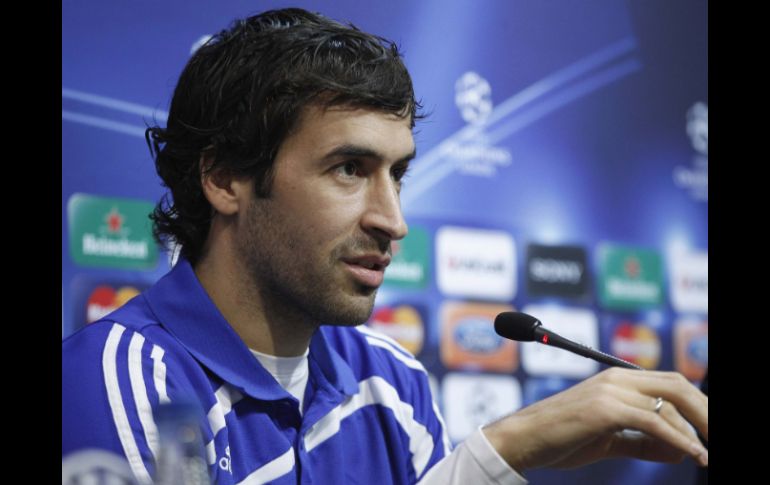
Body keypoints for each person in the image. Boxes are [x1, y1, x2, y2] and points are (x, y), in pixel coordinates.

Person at [62, 8, 708, 484]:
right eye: (349, 168)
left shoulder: (391, 378)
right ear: (225, 177)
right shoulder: (121, 378)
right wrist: (499, 452)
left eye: (397, 174)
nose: (392, 219)